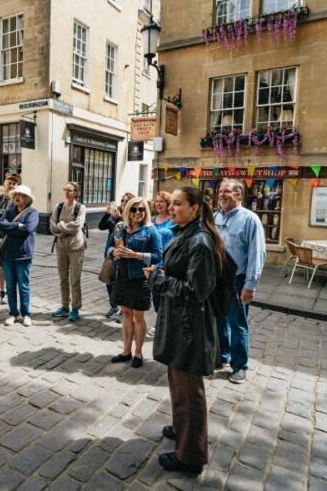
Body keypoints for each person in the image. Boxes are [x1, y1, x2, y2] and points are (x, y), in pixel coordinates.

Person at [144, 185, 224, 475]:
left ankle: (191, 457)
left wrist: (159, 280)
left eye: (178, 204)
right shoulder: (186, 234)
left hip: (190, 327)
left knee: (190, 391)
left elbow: (195, 291)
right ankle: (182, 429)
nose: (172, 208)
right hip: (180, 321)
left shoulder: (199, 241)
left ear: (195, 208)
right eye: (172, 203)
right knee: (178, 383)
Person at [214, 178, 267, 384]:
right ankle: (221, 355)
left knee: (237, 325)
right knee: (218, 321)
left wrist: (250, 285)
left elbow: (257, 254)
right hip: (216, 280)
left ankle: (239, 366)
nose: (222, 195)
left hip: (237, 280)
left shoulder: (250, 219)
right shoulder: (214, 216)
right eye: (220, 191)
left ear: (238, 195)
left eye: (227, 191)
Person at [107, 196, 162, 368]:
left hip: (139, 279)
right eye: (134, 209)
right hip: (122, 277)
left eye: (141, 209)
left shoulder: (150, 230)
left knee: (138, 316)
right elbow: (109, 248)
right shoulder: (120, 228)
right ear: (127, 211)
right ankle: (126, 351)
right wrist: (114, 253)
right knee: (126, 314)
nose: (138, 212)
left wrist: (136, 255)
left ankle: (138, 352)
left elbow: (158, 256)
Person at [0, 185, 39, 327]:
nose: (17, 197)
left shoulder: (32, 213)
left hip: (23, 255)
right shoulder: (10, 211)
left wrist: (12, 226)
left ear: (26, 198)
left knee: (23, 286)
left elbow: (28, 229)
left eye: (20, 195)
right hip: (7, 255)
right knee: (10, 286)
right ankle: (13, 313)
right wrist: (18, 226)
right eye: (15, 194)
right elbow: (0, 224)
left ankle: (26, 314)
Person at [49, 182, 87, 322]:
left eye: (70, 190)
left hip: (76, 247)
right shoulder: (58, 207)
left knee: (75, 279)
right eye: (65, 189)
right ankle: (65, 306)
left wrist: (62, 226)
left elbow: (77, 226)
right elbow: (52, 226)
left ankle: (75, 308)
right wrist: (63, 231)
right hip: (61, 247)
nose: (66, 192)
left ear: (76, 192)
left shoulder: (80, 208)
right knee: (63, 278)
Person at [98, 191, 135, 322]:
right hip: (111, 252)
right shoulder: (115, 215)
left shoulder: (131, 217)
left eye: (126, 200)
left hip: (124, 255)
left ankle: (122, 310)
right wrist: (107, 214)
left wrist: (118, 219)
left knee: (121, 282)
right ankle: (114, 306)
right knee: (109, 280)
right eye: (122, 200)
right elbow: (101, 226)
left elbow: (121, 234)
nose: (124, 203)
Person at [0, 173, 19, 305]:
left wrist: (0, 213)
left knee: (9, 266)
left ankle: (9, 292)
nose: (11, 185)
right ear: (4, 185)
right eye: (9, 183)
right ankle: (1, 291)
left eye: (14, 183)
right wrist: (4, 213)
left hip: (9, 238)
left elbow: (13, 216)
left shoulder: (17, 201)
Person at [150, 191, 175, 316]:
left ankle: (163, 324)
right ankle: (159, 322)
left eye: (162, 201)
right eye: (157, 201)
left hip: (167, 263)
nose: (158, 204)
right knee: (155, 294)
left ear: (168, 203)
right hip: (152, 262)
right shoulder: (152, 220)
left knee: (164, 295)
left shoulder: (173, 221)